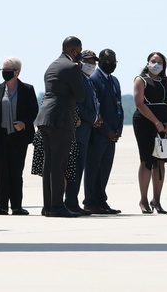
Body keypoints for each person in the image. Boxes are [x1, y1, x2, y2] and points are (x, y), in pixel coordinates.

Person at [34, 36, 85, 217]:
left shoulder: (52, 65)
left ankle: (48, 206)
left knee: (49, 164)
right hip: (60, 119)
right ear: (73, 51)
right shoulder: (71, 67)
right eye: (79, 51)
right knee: (58, 164)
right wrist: (80, 73)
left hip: (45, 118)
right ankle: (56, 206)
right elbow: (80, 94)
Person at [0, 56, 39, 215]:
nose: (5, 73)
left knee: (16, 172)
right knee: (0, 172)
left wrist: (24, 124)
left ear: (17, 72)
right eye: (3, 70)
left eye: (8, 71)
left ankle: (16, 206)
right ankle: (1, 206)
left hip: (18, 137)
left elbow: (33, 110)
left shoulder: (27, 90)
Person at [132, 51, 167, 214]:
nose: (156, 65)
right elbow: (139, 103)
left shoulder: (165, 82)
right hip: (145, 123)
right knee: (146, 160)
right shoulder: (141, 80)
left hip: (164, 125)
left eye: (160, 62)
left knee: (160, 161)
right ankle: (143, 199)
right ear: (148, 62)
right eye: (153, 61)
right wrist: (155, 122)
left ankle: (156, 199)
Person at [84, 48, 123, 215]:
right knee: (93, 168)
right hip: (98, 134)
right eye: (107, 62)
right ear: (101, 61)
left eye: (113, 62)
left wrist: (118, 129)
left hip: (112, 135)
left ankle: (101, 200)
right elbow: (95, 108)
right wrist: (106, 130)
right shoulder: (94, 79)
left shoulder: (114, 81)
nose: (111, 65)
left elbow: (118, 106)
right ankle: (90, 201)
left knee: (105, 169)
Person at [64, 49, 99, 215]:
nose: (91, 65)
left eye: (94, 63)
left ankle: (73, 201)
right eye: (88, 62)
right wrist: (93, 118)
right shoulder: (78, 77)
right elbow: (77, 104)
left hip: (86, 132)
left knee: (79, 168)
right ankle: (71, 202)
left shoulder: (88, 80)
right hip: (78, 131)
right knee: (75, 169)